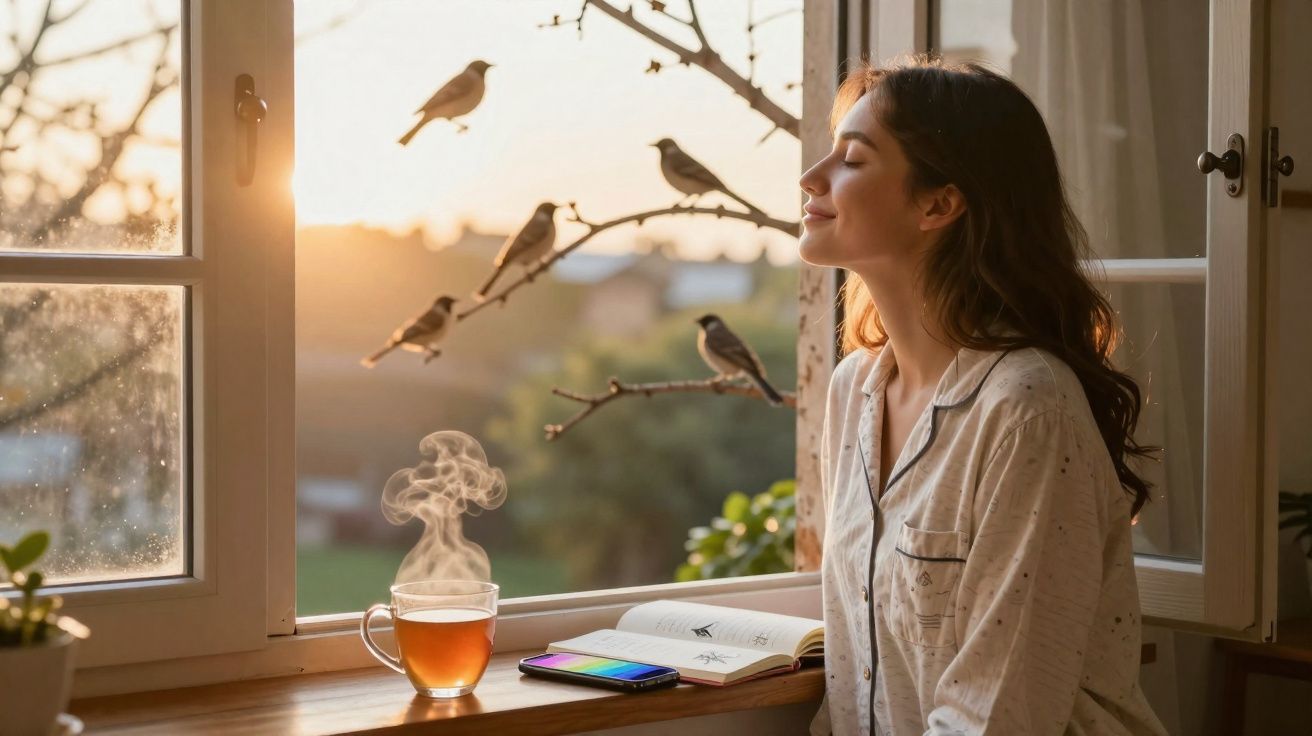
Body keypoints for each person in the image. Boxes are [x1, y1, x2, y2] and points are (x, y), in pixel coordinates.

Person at [799, 57, 1169, 735]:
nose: (811, 177)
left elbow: (1000, 716)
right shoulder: (856, 390)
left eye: (852, 158)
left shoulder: (1026, 407)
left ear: (939, 203)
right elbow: (854, 673)